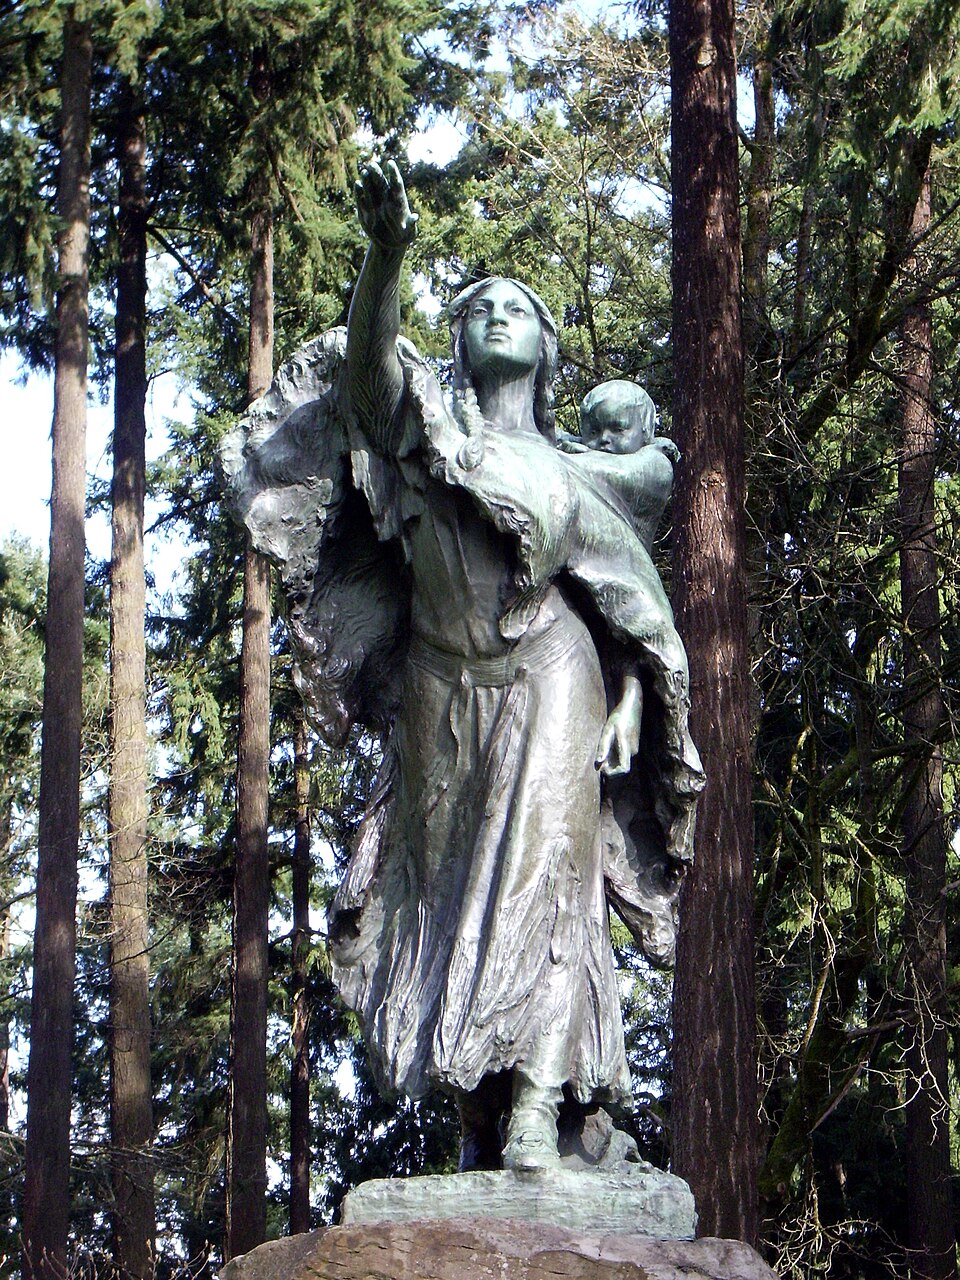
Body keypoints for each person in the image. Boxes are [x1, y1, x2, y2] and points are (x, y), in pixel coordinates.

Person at [221, 161, 704, 1174]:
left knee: (546, 884)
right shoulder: (423, 431)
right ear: (457, 340)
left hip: (554, 676)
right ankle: (480, 1116)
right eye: (478, 305)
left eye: (516, 307)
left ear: (545, 348)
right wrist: (387, 252)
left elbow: (626, 606)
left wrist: (628, 700)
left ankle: (537, 1102)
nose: (495, 312)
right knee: (438, 894)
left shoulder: (575, 472)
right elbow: (366, 378)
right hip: (439, 691)